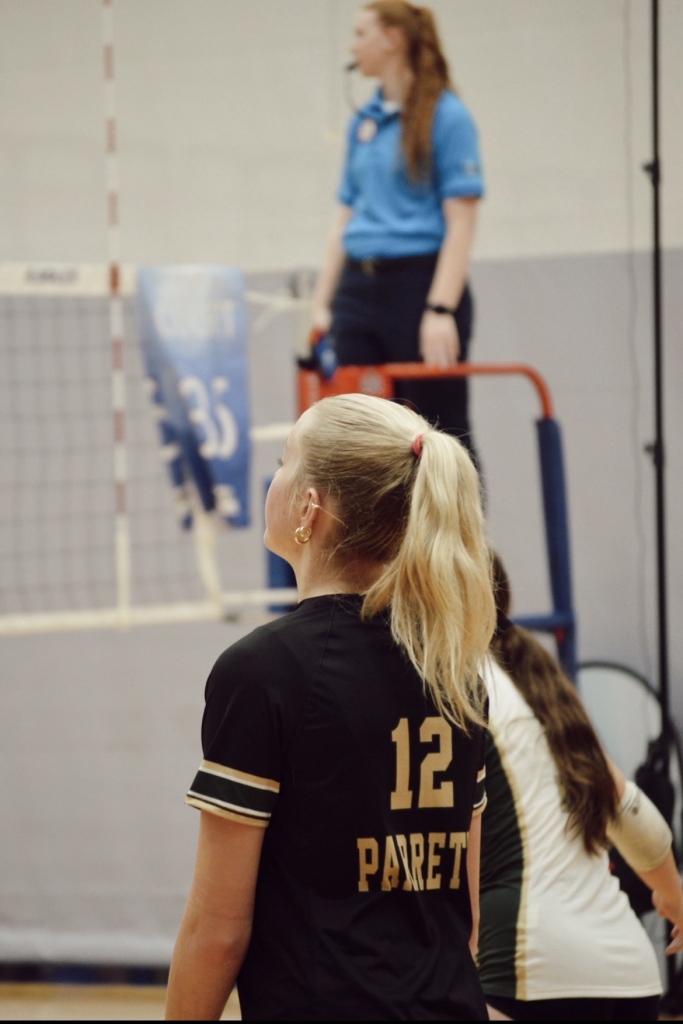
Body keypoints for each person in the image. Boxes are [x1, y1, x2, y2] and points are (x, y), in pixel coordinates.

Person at [166, 394, 495, 1021]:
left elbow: (218, 931)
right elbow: (467, 919)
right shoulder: (455, 670)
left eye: (283, 461)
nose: (274, 477)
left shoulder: (263, 670)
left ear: (308, 507)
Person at [478, 552, 683, 1022]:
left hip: (530, 969)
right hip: (629, 971)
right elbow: (629, 810)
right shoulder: (534, 686)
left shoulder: (455, 686)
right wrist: (674, 897)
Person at [311, 1, 484, 464]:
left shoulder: (448, 116)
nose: (352, 46)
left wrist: (440, 308)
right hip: (358, 287)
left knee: (438, 437)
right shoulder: (363, 123)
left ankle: (454, 515)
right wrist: (322, 306)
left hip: (417, 284)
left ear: (392, 40)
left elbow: (462, 222)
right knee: (361, 438)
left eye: (360, 34)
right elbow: (344, 218)